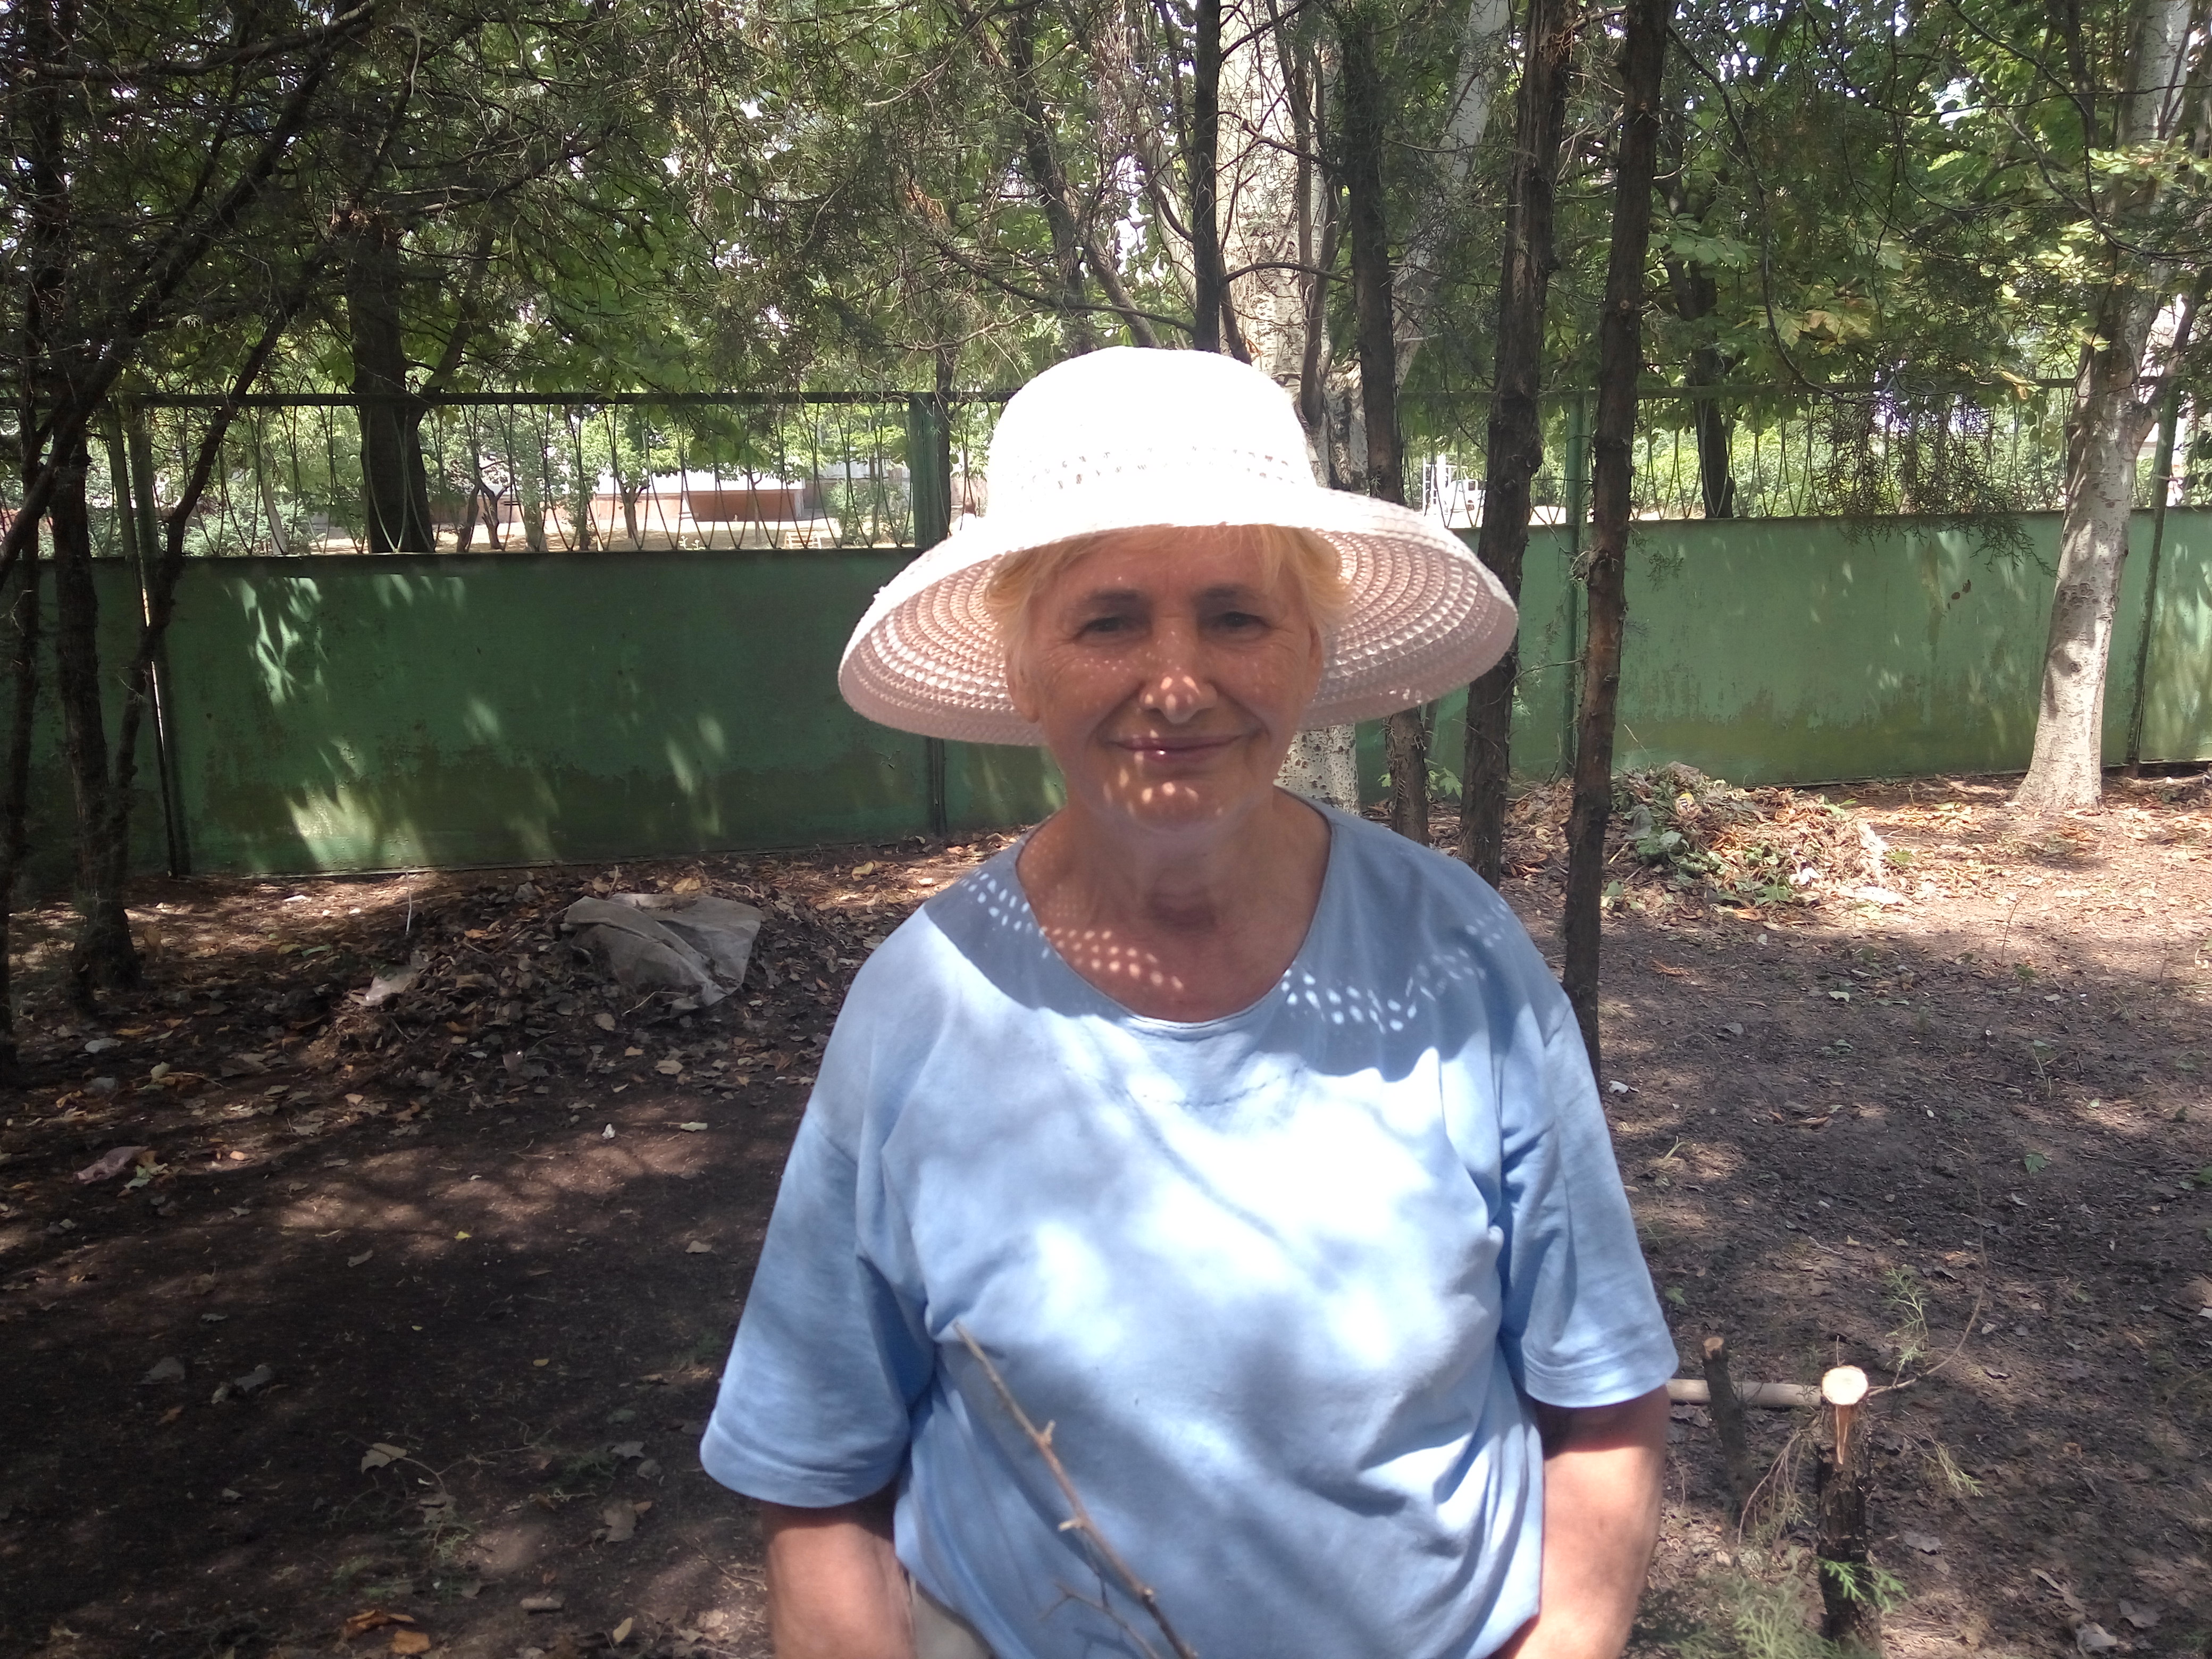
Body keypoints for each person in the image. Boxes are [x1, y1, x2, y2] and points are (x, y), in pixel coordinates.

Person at [701, 348, 1678, 1659]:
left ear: (1309, 653)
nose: (1176, 683)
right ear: (1023, 669)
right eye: (1108, 621)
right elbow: (816, 1474)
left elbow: (1603, 1397)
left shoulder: (1457, 957)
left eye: (1235, 617)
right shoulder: (925, 1004)